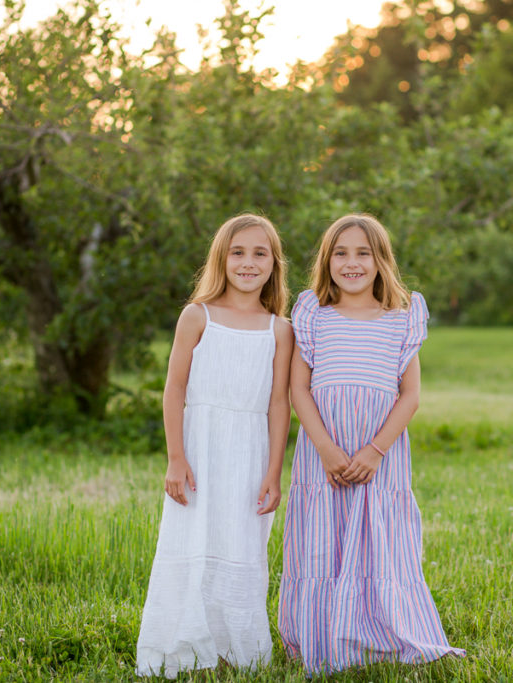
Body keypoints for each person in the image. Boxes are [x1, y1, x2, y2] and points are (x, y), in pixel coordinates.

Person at [278, 213, 465, 674]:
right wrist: (325, 448)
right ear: (327, 260)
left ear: (381, 261)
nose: (352, 262)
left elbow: (411, 395)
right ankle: (322, 635)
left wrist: (374, 451)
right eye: (340, 253)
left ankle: (380, 632)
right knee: (324, 541)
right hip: (324, 453)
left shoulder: (401, 318)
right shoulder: (311, 315)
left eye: (363, 253)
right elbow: (298, 389)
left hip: (379, 456)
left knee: (379, 542)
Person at [136, 214, 293, 678]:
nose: (247, 263)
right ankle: (183, 641)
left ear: (273, 263)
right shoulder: (197, 315)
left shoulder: (279, 329)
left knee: (242, 543)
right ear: (221, 259)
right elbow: (174, 390)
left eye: (259, 253)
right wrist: (176, 458)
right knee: (193, 539)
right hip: (200, 449)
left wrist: (273, 471)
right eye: (237, 252)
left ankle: (236, 647)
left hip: (249, 453)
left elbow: (279, 404)